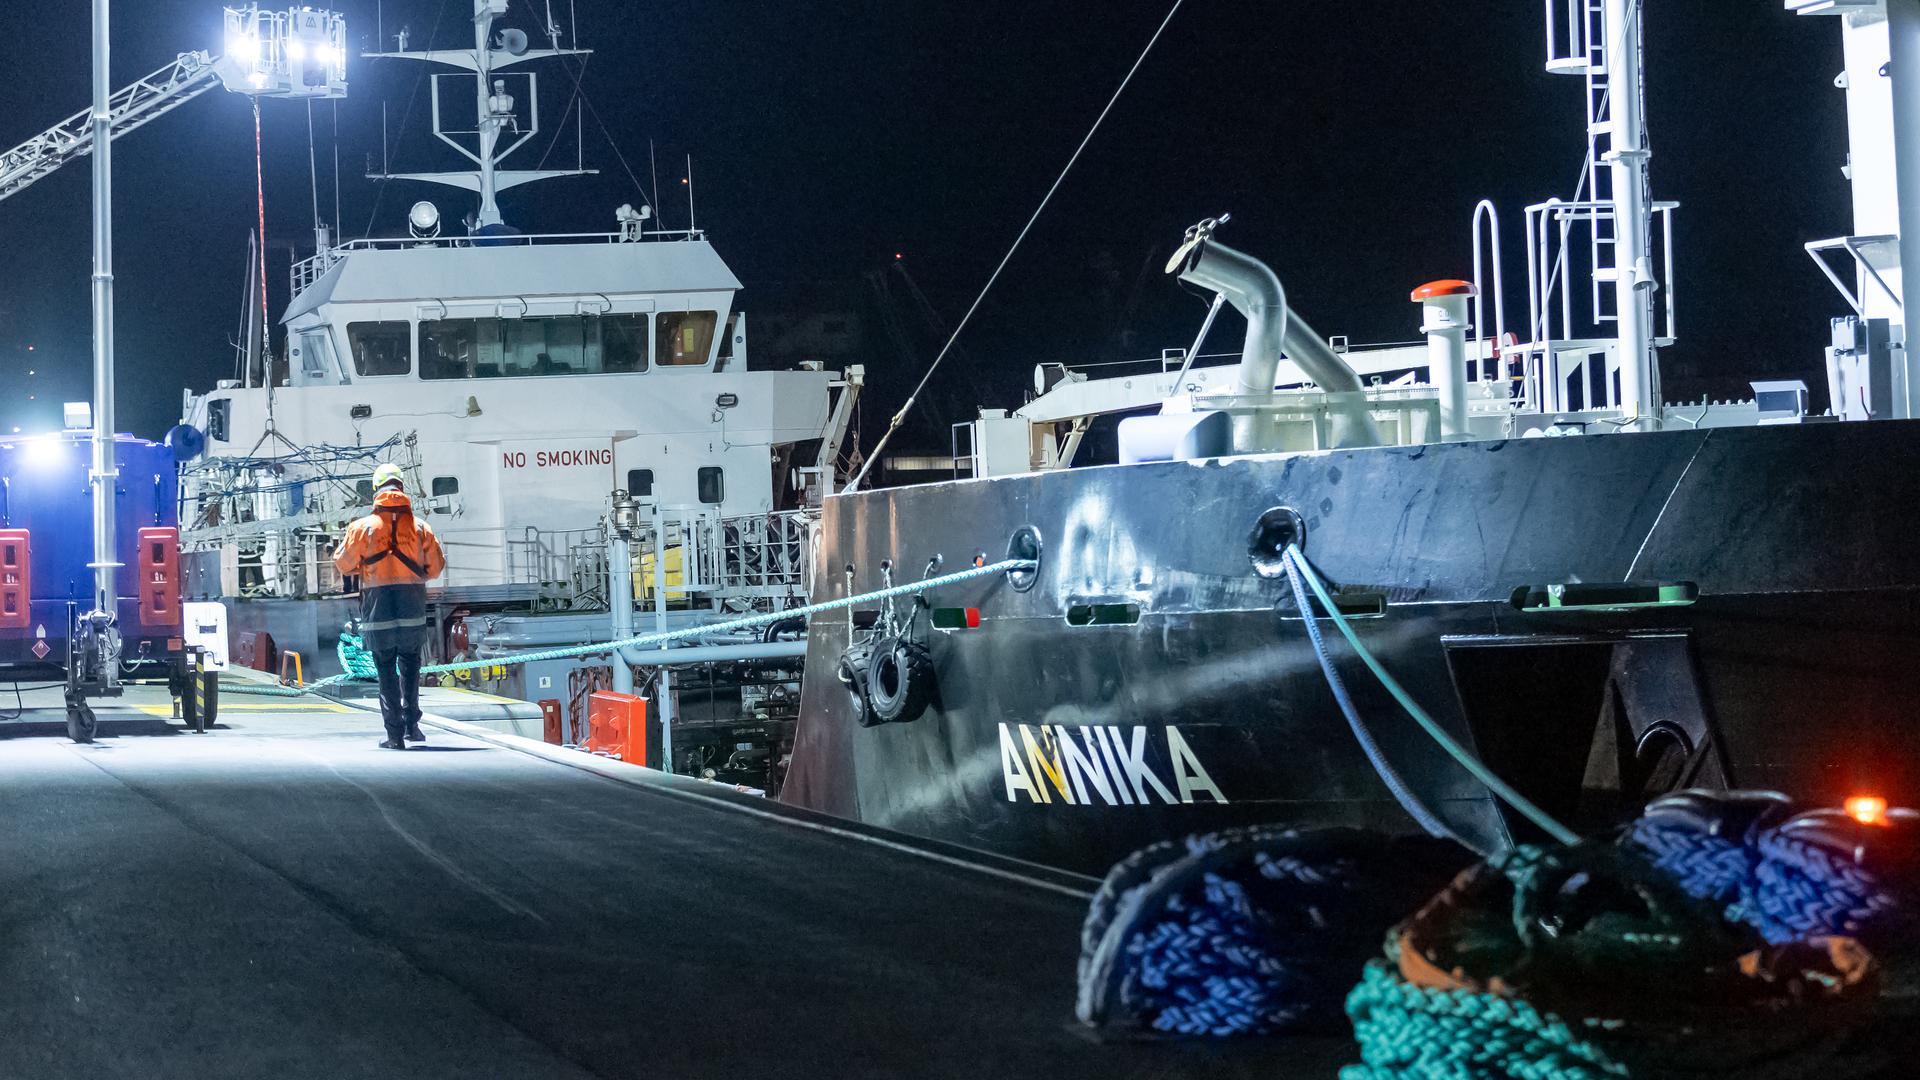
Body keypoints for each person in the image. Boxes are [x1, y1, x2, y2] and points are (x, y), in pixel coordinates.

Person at [332, 464, 446, 749]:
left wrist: (367, 565)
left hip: (378, 606)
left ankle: (394, 736)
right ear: (401, 488)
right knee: (411, 665)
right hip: (411, 604)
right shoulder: (421, 528)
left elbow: (344, 564)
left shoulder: (361, 528)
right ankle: (413, 728)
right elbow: (435, 568)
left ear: (376, 491)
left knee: (385, 668)